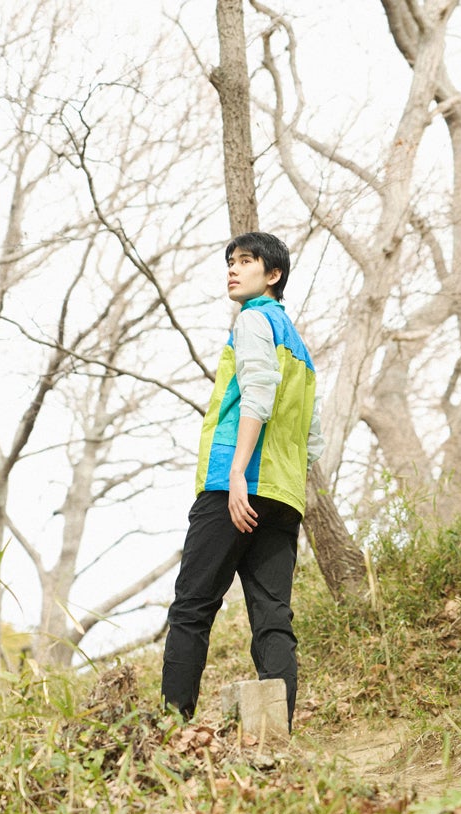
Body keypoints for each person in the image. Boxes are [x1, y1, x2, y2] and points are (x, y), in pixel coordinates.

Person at [161, 231, 322, 730]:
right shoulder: (301, 348)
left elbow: (256, 393)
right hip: (283, 496)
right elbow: (311, 436)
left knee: (192, 606)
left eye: (246, 261)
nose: (233, 269)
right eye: (230, 261)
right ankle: (278, 735)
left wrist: (235, 474)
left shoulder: (253, 320)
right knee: (272, 616)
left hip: (235, 486)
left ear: (272, 275)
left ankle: (170, 730)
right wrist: (290, 491)